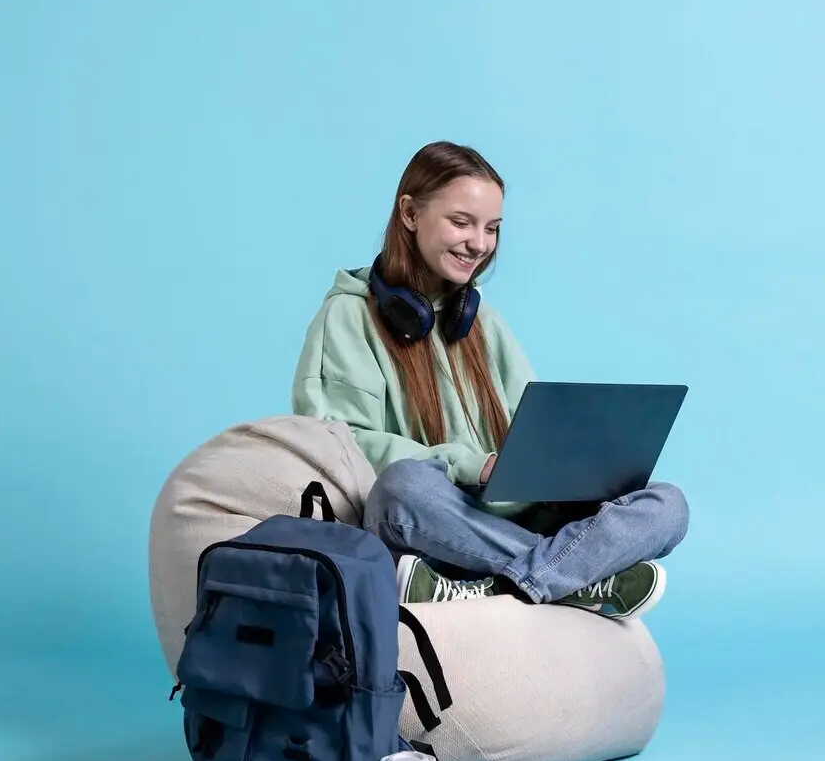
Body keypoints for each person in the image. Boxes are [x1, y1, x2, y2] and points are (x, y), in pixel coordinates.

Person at [290, 141, 689, 620]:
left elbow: (531, 427)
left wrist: (576, 466)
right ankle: (579, 577)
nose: (479, 243)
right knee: (403, 487)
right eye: (461, 222)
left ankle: (512, 584)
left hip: (506, 522)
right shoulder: (347, 317)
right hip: (435, 524)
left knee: (668, 504)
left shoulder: (483, 323)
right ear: (410, 214)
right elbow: (339, 446)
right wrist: (470, 466)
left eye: (492, 228)